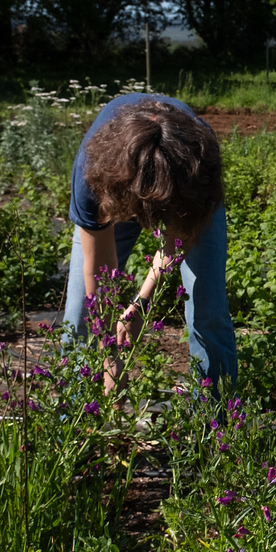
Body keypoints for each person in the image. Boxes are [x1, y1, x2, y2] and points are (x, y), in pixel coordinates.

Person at [62, 93, 237, 394]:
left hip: (185, 183)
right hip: (116, 177)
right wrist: (109, 357)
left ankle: (215, 423)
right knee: (80, 315)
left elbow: (175, 246)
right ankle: (77, 423)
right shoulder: (93, 174)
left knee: (208, 307)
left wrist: (140, 304)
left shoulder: (197, 167)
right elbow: (100, 278)